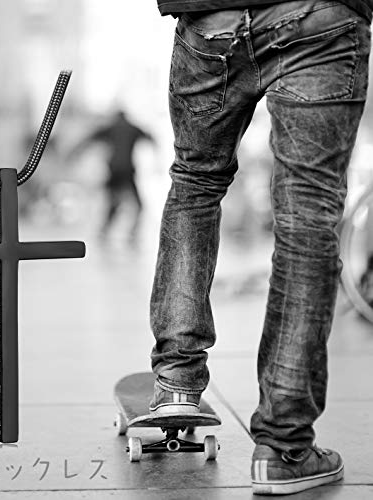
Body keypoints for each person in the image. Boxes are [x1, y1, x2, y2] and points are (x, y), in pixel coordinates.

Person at [149, 0, 372, 495]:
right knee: (307, 213)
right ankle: (284, 446)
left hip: (209, 17)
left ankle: (176, 383)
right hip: (319, 17)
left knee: (195, 184)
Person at [71, 109, 155, 242]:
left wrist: (74, 152)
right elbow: (150, 137)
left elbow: (90, 138)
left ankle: (105, 232)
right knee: (137, 205)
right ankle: (130, 233)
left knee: (113, 203)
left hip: (115, 170)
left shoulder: (111, 127)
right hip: (126, 170)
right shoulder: (132, 128)